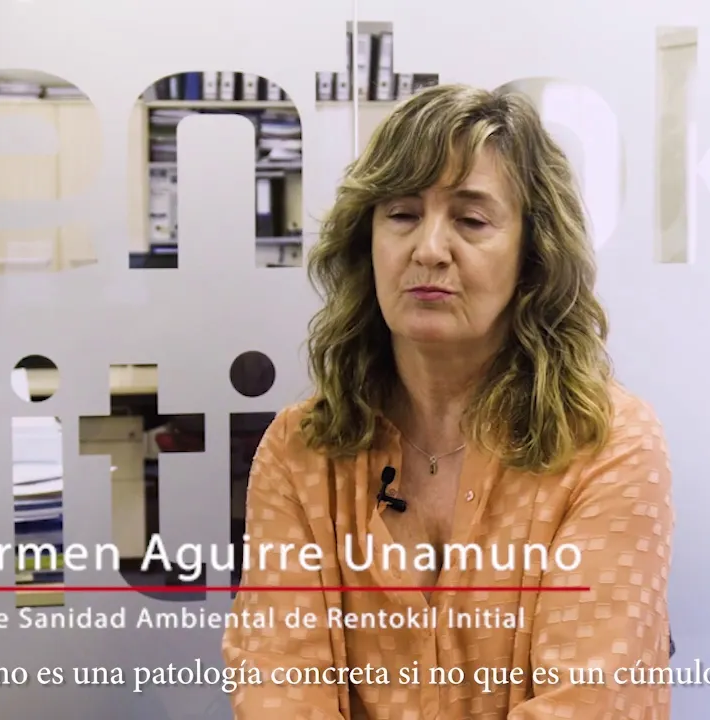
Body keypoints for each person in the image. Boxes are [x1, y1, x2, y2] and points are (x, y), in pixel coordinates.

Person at [223, 84, 674, 719]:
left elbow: (589, 703)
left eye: (471, 220)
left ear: (532, 255)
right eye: (402, 214)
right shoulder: (300, 450)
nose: (429, 249)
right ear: (367, 241)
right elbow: (279, 688)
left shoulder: (608, 442)